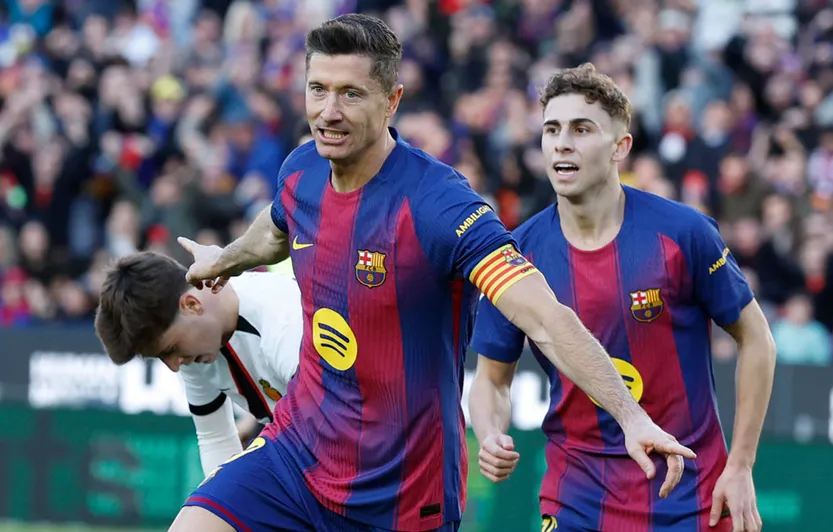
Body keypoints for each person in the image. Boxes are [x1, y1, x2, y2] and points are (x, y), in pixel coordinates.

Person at [170, 14, 695, 532]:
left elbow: (544, 318)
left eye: (351, 94)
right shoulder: (302, 170)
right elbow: (272, 231)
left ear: (392, 100)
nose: (328, 111)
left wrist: (630, 416)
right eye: (318, 90)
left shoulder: (439, 206)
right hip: (297, 453)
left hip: (401, 494)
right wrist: (225, 259)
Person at [468, 63, 777, 532]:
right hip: (576, 503)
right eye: (551, 129)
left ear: (621, 147)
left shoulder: (683, 233)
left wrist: (741, 465)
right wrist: (490, 431)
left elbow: (757, 339)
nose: (562, 143)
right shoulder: (516, 256)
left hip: (692, 501)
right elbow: (492, 380)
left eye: (581, 129)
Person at [93, 251, 302, 477]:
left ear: (191, 305)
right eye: (162, 358)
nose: (174, 366)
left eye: (170, 349)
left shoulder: (284, 322)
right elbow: (215, 438)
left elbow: (321, 430)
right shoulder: (195, 348)